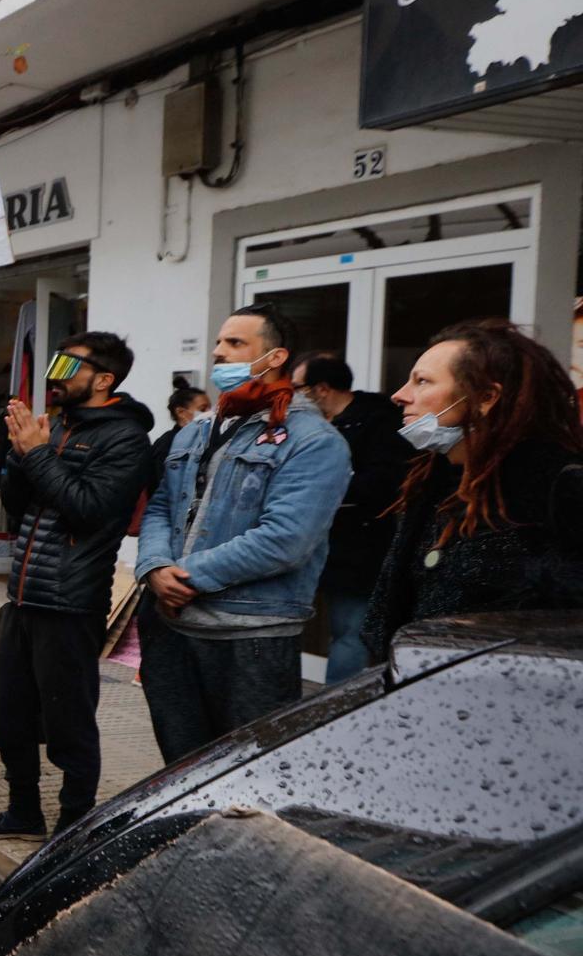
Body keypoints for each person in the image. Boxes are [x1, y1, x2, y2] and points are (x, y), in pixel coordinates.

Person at [137, 303, 350, 765]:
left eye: (235, 343)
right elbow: (160, 506)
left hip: (250, 637)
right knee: (180, 769)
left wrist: (184, 576)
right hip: (172, 629)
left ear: (275, 357)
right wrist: (153, 567)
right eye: (218, 342)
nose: (218, 352)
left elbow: (285, 539)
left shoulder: (313, 440)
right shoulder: (197, 430)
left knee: (246, 773)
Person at [0, 332, 155, 841]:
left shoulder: (127, 438)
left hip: (71, 605)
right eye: (55, 363)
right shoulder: (60, 427)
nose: (55, 375)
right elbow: (18, 506)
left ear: (104, 379)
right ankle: (23, 813)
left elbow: (89, 509)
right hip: (23, 597)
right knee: (8, 719)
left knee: (70, 727)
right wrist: (20, 454)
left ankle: (74, 825)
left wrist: (39, 453)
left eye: (69, 367)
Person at [364, 319, 583, 656]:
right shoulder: (434, 480)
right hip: (420, 686)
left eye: (422, 381)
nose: (399, 395)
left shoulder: (558, 487)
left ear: (486, 397)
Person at [288, 354, 412, 682]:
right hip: (309, 546)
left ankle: (337, 705)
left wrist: (323, 485)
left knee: (350, 630)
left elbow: (382, 485)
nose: (292, 395)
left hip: (358, 551)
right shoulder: (311, 425)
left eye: (298, 388)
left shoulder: (379, 423)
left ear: (322, 389)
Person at [153, 384, 210, 489]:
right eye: (202, 409)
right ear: (181, 412)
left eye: (210, 408)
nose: (210, 413)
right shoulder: (168, 443)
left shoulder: (204, 440)